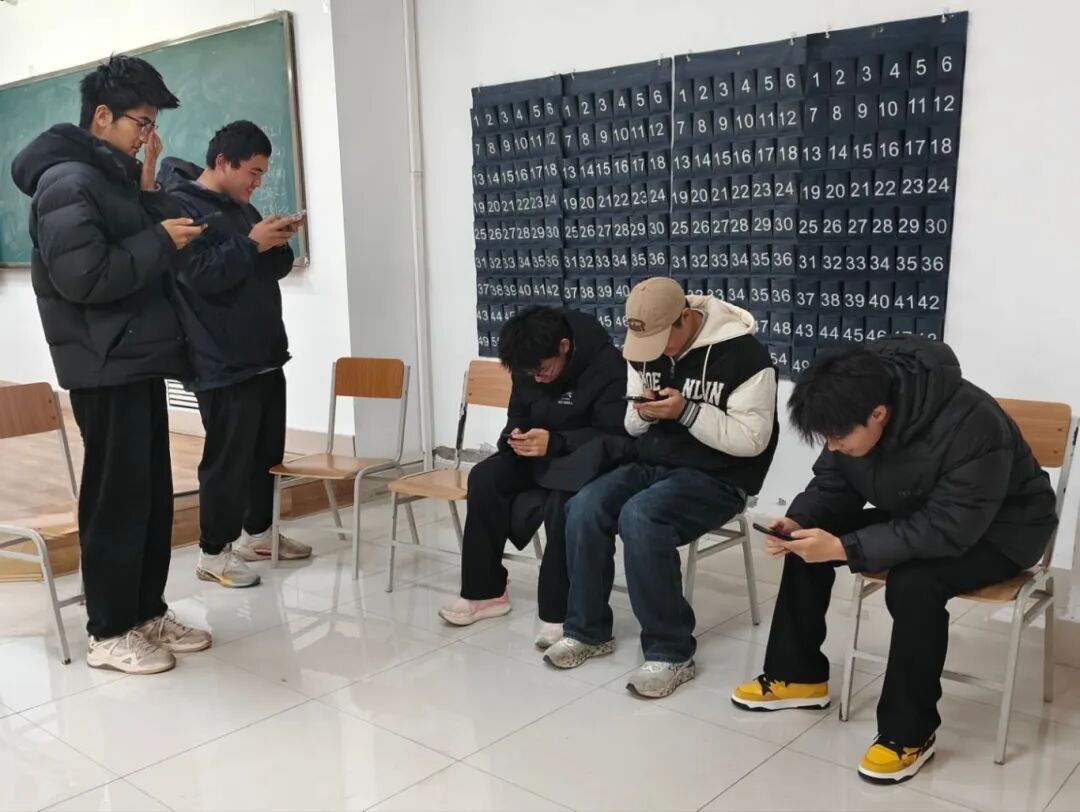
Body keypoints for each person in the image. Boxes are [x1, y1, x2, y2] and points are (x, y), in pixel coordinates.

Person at [731, 339, 1058, 784]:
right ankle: (797, 676)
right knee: (807, 541)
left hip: (1003, 530)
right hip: (925, 512)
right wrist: (799, 521)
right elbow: (833, 484)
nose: (832, 446)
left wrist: (845, 548)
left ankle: (909, 734)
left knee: (914, 582)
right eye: (826, 438)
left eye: (838, 438)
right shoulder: (850, 408)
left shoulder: (972, 422)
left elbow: (950, 528)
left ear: (879, 414)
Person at [11, 55, 212, 674]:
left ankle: (145, 611)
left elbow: (150, 241)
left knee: (150, 495)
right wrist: (158, 238)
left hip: (135, 355)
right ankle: (108, 629)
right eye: (141, 123)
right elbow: (84, 277)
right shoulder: (67, 182)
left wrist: (148, 186)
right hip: (104, 360)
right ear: (102, 116)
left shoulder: (110, 178)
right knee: (116, 500)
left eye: (152, 126)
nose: (147, 136)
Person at [544, 277, 779, 698]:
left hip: (720, 477)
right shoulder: (645, 349)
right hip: (654, 462)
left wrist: (687, 412)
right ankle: (587, 630)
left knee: (641, 516)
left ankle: (671, 652)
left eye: (662, 340)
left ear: (684, 318)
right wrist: (645, 413)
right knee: (583, 505)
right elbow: (631, 425)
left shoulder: (746, 357)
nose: (656, 352)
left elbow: (752, 441)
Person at [158, 121, 306, 589]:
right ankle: (212, 552)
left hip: (264, 350)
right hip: (220, 358)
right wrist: (251, 242)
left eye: (262, 174)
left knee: (265, 453)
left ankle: (258, 534)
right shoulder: (181, 206)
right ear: (223, 162)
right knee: (228, 459)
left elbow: (265, 269)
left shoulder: (242, 206)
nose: (257, 182)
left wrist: (277, 241)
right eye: (253, 172)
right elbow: (199, 275)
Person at [437, 305, 631, 648]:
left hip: (586, 461)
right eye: (529, 373)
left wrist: (556, 442)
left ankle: (560, 612)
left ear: (564, 346)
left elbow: (615, 436)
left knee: (562, 500)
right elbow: (517, 416)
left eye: (543, 370)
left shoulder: (607, 365)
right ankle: (486, 592)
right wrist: (515, 438)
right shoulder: (528, 366)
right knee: (484, 477)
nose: (537, 378)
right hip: (539, 455)